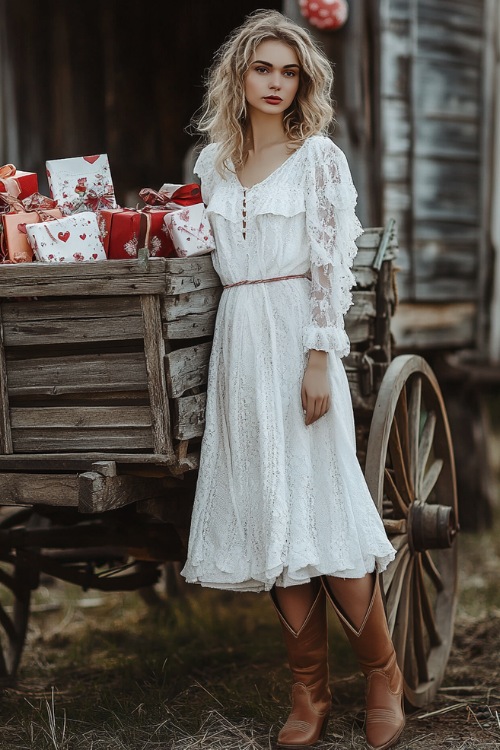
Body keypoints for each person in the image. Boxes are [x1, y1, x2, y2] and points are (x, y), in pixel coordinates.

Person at [180, 9, 405, 750]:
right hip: (240, 342)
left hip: (298, 341)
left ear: (302, 81)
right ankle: (308, 693)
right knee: (274, 511)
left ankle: (382, 674)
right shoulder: (210, 163)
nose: (276, 83)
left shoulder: (319, 159)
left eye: (289, 71)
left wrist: (319, 355)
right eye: (262, 69)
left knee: (323, 511)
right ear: (237, 77)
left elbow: (331, 262)